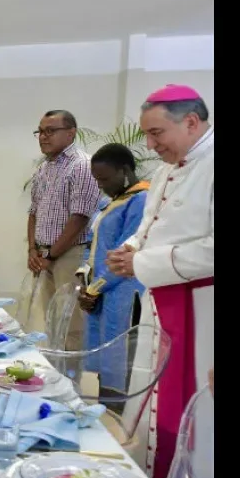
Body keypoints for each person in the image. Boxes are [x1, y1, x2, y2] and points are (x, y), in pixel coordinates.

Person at [105, 84, 213, 478]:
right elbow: (151, 226)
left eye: (156, 133)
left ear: (190, 122)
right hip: (161, 298)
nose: (149, 145)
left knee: (193, 415)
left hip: (202, 310)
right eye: (147, 134)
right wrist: (129, 249)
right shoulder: (168, 169)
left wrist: (142, 262)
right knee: (154, 399)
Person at [75, 143, 150, 406]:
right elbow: (92, 243)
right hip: (101, 291)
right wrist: (84, 283)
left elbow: (123, 252)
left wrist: (94, 289)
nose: (101, 186)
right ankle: (102, 413)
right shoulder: (111, 202)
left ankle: (117, 417)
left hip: (123, 292)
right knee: (102, 356)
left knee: (119, 359)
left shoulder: (141, 201)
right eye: (97, 180)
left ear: (125, 170)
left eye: (104, 179)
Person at [27, 110, 101, 346]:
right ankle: (55, 377)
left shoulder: (82, 166)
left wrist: (51, 254)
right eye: (40, 131)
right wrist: (32, 250)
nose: (43, 136)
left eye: (50, 131)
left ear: (71, 133)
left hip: (70, 255)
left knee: (70, 327)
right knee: (50, 322)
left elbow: (79, 218)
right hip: (43, 255)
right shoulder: (43, 169)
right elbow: (33, 212)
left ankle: (70, 382)